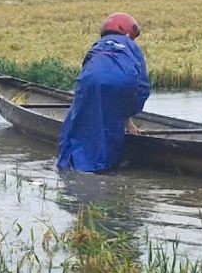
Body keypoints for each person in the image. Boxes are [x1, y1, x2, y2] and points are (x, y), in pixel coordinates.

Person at [55, 12, 152, 173]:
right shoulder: (132, 46)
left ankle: (68, 164)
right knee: (112, 126)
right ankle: (106, 167)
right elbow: (141, 86)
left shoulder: (97, 45)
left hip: (90, 80)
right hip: (124, 80)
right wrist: (128, 115)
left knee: (77, 122)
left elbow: (86, 77)